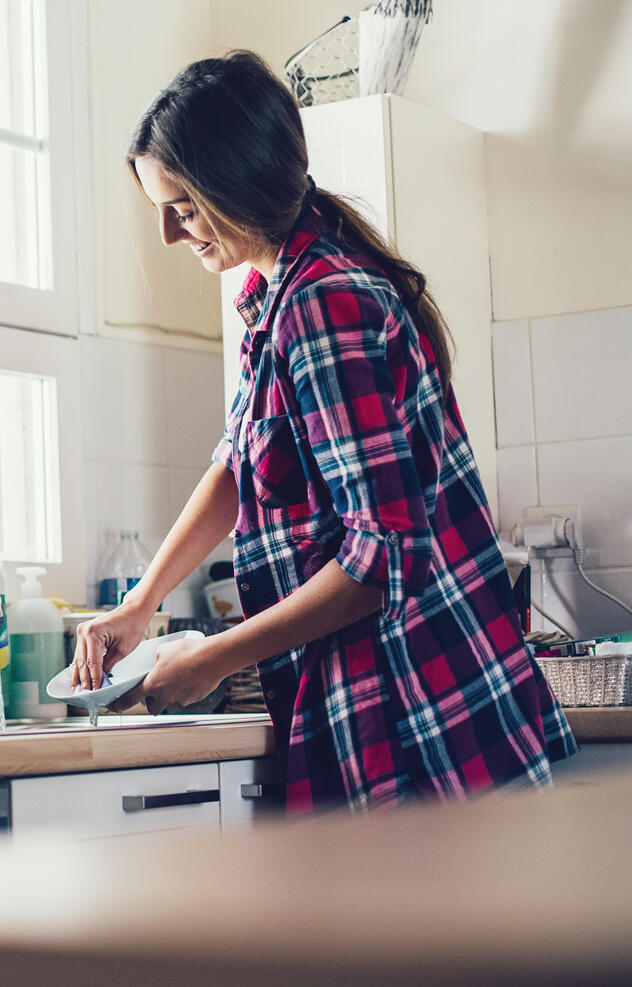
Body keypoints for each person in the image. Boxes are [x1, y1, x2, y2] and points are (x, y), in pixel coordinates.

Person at [72, 50, 576, 813]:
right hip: (397, 710)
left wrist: (212, 656)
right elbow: (241, 466)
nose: (172, 236)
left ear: (234, 182)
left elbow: (379, 561)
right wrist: (142, 600)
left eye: (182, 207)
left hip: (422, 720)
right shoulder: (275, 299)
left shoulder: (323, 304)